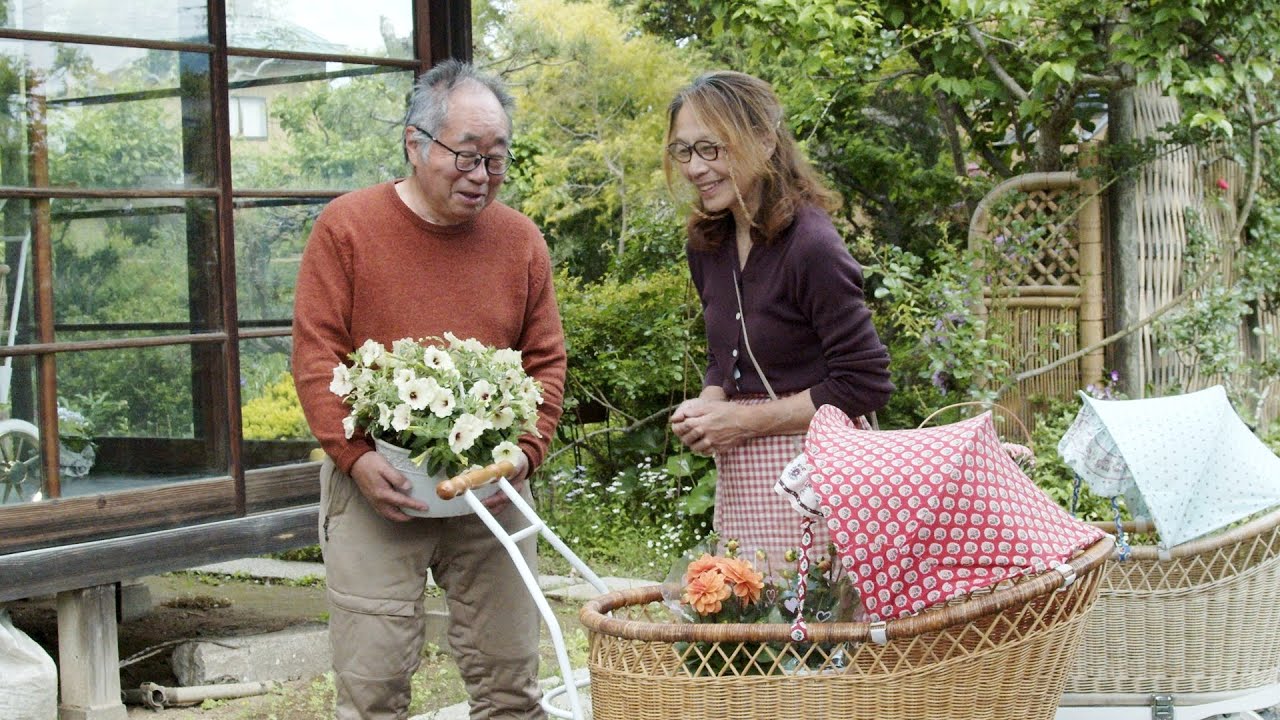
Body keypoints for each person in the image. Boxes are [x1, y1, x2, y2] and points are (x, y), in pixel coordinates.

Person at [291, 59, 566, 720]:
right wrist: (354, 457)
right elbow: (315, 353)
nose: (481, 177)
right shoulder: (348, 228)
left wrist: (524, 453)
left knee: (511, 685)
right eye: (466, 157)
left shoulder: (520, 241)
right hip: (378, 488)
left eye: (496, 161)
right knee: (373, 684)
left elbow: (545, 361)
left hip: (493, 491)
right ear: (416, 143)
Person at [665, 71, 893, 565]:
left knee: (822, 633)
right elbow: (725, 354)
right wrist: (709, 407)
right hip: (745, 481)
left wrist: (743, 422)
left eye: (712, 148)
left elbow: (866, 382)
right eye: (683, 151)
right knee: (750, 627)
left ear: (765, 141)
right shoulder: (708, 244)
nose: (695, 167)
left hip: (822, 478)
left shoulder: (811, 245)